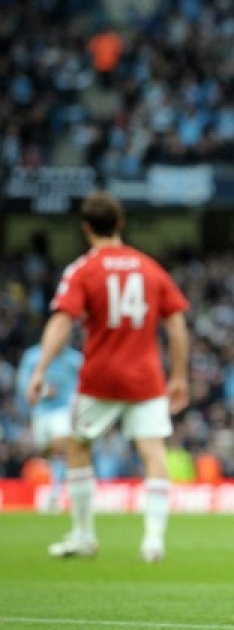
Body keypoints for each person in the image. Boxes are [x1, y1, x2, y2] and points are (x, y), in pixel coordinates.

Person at [24, 190, 191, 563]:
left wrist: (40, 368)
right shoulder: (149, 267)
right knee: (152, 451)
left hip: (100, 378)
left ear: (86, 228)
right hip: (146, 378)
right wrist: (179, 375)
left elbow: (62, 321)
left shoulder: (82, 270)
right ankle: (153, 540)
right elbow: (176, 323)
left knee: (79, 445)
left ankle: (84, 536)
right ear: (120, 224)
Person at [15, 342, 84, 511]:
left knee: (60, 446)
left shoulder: (74, 359)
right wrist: (44, 390)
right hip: (40, 412)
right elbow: (22, 384)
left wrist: (78, 404)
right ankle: (51, 485)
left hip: (64, 411)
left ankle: (57, 490)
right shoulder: (32, 356)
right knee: (45, 451)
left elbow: (84, 382)